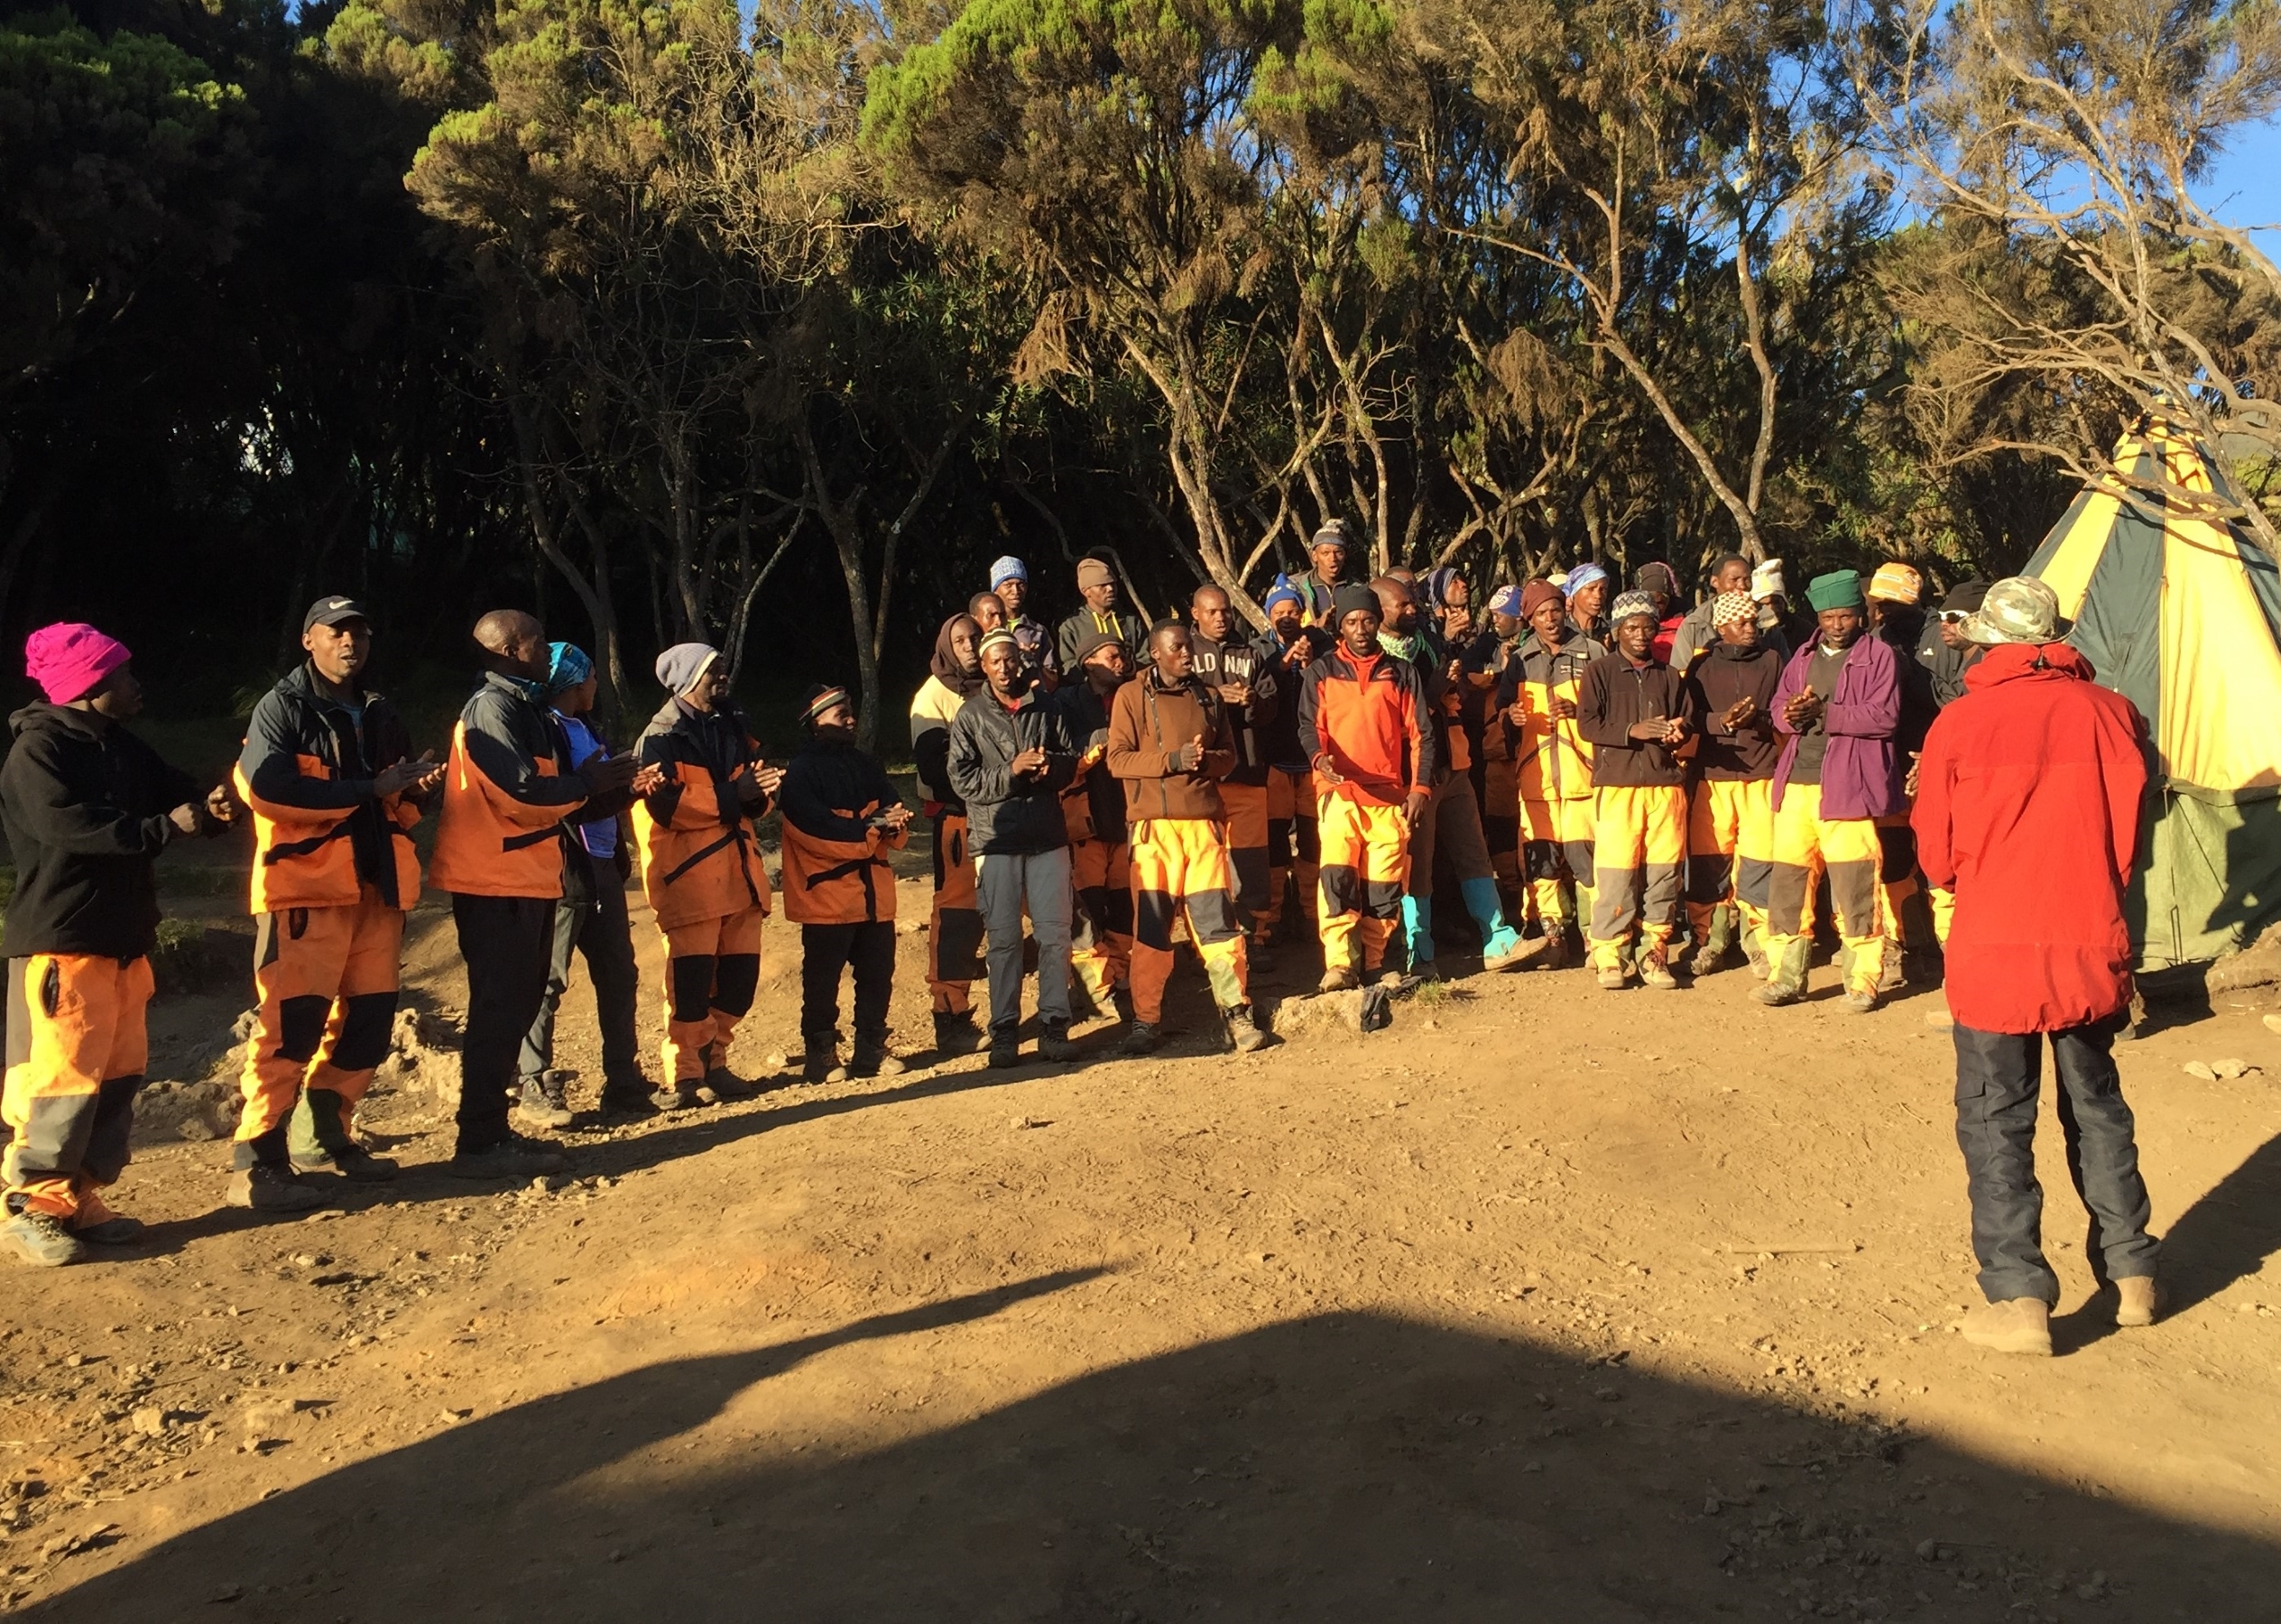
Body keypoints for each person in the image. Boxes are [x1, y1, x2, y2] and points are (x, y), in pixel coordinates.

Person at [1913, 576, 2159, 1356]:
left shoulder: (1960, 722)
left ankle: (2019, 1298)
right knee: (2098, 1107)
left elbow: (1936, 856)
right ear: (2056, 641)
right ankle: (2132, 1275)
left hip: (1995, 948)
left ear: (1990, 640)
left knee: (1996, 1118)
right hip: (2088, 941)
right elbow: (2133, 840)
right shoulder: (2113, 714)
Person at [0, 626, 237, 1266]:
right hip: (63, 941)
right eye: (123, 675)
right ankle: (31, 1204)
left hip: (125, 939)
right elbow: (68, 826)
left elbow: (176, 790)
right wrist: (164, 828)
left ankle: (77, 1197)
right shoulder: (38, 751)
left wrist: (212, 806)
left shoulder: (120, 746)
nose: (135, 685)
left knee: (115, 1074)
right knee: (60, 1080)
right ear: (88, 685)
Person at [231, 597, 441, 1212]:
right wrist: (368, 788)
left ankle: (324, 1136)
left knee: (368, 1025)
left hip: (377, 891)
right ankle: (257, 1162)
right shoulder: (283, 708)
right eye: (337, 632)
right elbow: (267, 789)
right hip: (306, 897)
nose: (351, 642)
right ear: (309, 640)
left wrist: (415, 791)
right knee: (290, 1029)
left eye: (359, 632)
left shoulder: (379, 711)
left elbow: (396, 805)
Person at [433, 612, 644, 1176]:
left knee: (518, 1002)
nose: (544, 650)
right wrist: (589, 782)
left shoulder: (526, 710)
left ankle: (491, 1133)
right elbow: (522, 793)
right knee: (500, 1005)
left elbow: (565, 801)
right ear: (509, 650)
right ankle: (479, 1141)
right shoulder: (491, 709)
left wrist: (616, 790)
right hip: (490, 881)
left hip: (526, 878)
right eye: (536, 641)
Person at [1106, 622, 1268, 1054]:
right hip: (1154, 831)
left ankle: (1236, 1012)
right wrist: (1173, 760)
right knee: (1152, 930)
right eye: (1176, 648)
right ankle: (1145, 1021)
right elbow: (1118, 760)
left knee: (1219, 927)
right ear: (1155, 653)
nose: (1186, 654)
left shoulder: (1209, 696)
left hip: (1203, 827)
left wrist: (1205, 761)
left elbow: (1229, 757)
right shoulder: (1130, 696)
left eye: (1188, 647)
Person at [631, 642, 778, 1109]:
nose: (723, 677)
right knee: (690, 989)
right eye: (714, 670)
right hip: (688, 882)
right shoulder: (659, 738)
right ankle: (687, 1075)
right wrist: (736, 794)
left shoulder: (732, 726)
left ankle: (716, 1061)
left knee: (739, 985)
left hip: (740, 877)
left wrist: (759, 795)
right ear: (689, 678)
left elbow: (754, 792)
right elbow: (666, 807)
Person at [1759, 570, 1904, 1011]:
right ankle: (1785, 976)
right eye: (1828, 617)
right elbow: (1778, 708)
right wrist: (1790, 713)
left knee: (1855, 884)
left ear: (1861, 615)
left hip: (1848, 787)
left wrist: (1825, 713)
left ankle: (1862, 980)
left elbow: (1884, 716)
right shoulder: (1802, 656)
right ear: (1817, 618)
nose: (1837, 625)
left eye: (1846, 616)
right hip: (1797, 783)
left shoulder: (1879, 656)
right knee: (1788, 884)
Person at [1373, 577, 1532, 976]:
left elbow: (1451, 697)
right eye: (1402, 605)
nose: (1412, 609)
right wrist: (1433, 690)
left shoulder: (1426, 642)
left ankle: (1498, 936)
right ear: (1380, 611)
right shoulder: (1375, 661)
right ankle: (1419, 949)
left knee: (1473, 851)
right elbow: (1391, 721)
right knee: (1419, 864)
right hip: (1413, 776)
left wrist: (1454, 681)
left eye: (1412, 602)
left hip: (1452, 763)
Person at [948, 627, 1081, 1068]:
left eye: (1010, 659)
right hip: (996, 840)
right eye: (995, 662)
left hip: (1046, 837)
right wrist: (1011, 770)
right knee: (1003, 940)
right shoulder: (970, 715)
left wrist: (1049, 769)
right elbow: (963, 780)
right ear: (984, 667)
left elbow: (1070, 762)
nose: (1004, 668)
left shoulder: (1046, 706)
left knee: (1055, 936)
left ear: (1019, 661)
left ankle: (1054, 1027)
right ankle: (1004, 1031)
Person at [1297, 583, 1434, 991]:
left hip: (1390, 797)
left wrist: (1420, 789)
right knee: (1337, 879)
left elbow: (1422, 736)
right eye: (1352, 622)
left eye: (1368, 620)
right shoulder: (1321, 671)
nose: (1360, 629)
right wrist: (1319, 759)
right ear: (1340, 626)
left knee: (1385, 885)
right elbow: (1309, 727)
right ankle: (1340, 965)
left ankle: (1376, 963)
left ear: (1378, 622)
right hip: (1339, 793)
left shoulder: (1402, 672)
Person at [780, 684, 911, 1082]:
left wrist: (893, 824)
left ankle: (871, 1050)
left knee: (877, 976)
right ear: (815, 723)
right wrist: (873, 828)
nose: (851, 719)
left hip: (875, 896)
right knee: (822, 983)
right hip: (826, 899)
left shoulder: (866, 764)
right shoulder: (801, 772)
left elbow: (892, 809)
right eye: (842, 714)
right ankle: (821, 1055)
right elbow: (812, 830)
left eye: (851, 711)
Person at [1575, 590, 1691, 990]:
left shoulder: (1668, 675)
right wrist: (1632, 731)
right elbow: (1587, 724)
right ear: (1616, 631)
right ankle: (1610, 954)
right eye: (1631, 627)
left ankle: (1654, 952)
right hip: (1618, 786)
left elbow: (1686, 720)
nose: (1640, 635)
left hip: (1665, 786)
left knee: (1663, 873)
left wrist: (1677, 733)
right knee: (1616, 873)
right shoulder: (1599, 672)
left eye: (1647, 627)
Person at [1498, 579, 1606, 966]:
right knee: (1541, 863)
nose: (1551, 619)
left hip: (1583, 776)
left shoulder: (1593, 652)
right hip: (1537, 779)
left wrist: (1580, 712)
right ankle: (1552, 937)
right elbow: (1501, 713)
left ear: (1565, 610)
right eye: (1541, 614)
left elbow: (1609, 711)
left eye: (1555, 610)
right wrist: (1511, 716)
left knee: (1587, 860)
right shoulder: (1520, 660)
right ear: (1530, 619)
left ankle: (1597, 940)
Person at [1678, 592, 1782, 976]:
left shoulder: (1773, 661)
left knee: (1759, 861)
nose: (1750, 629)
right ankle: (1709, 940)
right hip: (1713, 777)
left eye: (1754, 622)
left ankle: (1760, 944)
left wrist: (1759, 719)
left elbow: (1784, 711)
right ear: (1722, 627)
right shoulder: (1702, 665)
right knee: (1710, 863)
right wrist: (1721, 721)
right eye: (1742, 623)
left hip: (1761, 774)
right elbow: (1688, 717)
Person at [1187, 584, 1280, 959]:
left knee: (1250, 862)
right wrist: (1215, 698)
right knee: (1206, 865)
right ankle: (1210, 945)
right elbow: (1173, 707)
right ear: (1195, 614)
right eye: (1211, 612)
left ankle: (1254, 939)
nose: (1221, 618)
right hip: (1202, 778)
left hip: (1248, 771)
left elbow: (1272, 708)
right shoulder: (1184, 654)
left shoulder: (1250, 654)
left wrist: (1253, 701)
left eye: (1225, 611)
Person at [910, 614, 988, 1054]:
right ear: (946, 647)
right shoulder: (933, 696)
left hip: (1011, 820)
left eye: (975, 637)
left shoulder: (999, 685)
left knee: (1051, 907)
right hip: (959, 823)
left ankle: (1081, 995)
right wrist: (993, 782)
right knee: (958, 919)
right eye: (960, 641)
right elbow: (935, 772)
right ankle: (950, 1016)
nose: (970, 646)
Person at [1867, 562, 1941, 988]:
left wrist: (1907, 673)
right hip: (1889, 769)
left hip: (1935, 764)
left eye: (1890, 604)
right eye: (1878, 605)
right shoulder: (1879, 638)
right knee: (1893, 859)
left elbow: (1955, 700)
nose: (1882, 612)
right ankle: (1903, 944)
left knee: (1937, 859)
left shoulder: (1943, 638)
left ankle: (1943, 948)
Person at [1054, 631, 1136, 1019]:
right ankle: (1092, 989)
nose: (1120, 662)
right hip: (1086, 826)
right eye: (1110, 656)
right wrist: (1101, 739)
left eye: (1122, 656)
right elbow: (1060, 755)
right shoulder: (1065, 702)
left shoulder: (1133, 696)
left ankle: (1120, 979)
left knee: (1124, 909)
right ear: (1088, 662)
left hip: (1127, 820)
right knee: (1088, 913)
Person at [1258, 582, 1330, 946]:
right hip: (1274, 761)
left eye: (1292, 611)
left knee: (1313, 840)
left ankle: (1310, 913)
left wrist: (1311, 664)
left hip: (1312, 761)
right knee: (1274, 844)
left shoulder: (1322, 645)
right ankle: (1272, 918)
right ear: (1268, 615)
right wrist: (1284, 664)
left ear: (1302, 613)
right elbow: (1258, 693)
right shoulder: (1257, 649)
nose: (1286, 618)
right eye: (1279, 612)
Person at [1469, 584, 1528, 903]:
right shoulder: (1484, 645)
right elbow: (1467, 671)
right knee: (1502, 822)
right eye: (1492, 614)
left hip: (1532, 748)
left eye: (1501, 614)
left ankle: (1537, 887)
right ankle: (1512, 889)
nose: (1495, 620)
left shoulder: (1535, 646)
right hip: (1497, 750)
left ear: (1519, 615)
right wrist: (1496, 671)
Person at [1055, 555, 1147, 671]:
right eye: (1102, 585)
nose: (1110, 589)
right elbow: (1068, 666)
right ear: (1086, 591)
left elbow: (1146, 658)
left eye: (1113, 584)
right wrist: (1096, 674)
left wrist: (1129, 669)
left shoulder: (1131, 621)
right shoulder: (1071, 627)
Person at [1671, 555, 1752, 677]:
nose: (1742, 586)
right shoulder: (1694, 625)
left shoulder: (1766, 621)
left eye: (1747, 579)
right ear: (1715, 582)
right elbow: (1681, 675)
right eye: (1734, 579)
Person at [990, 556, 1060, 686]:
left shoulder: (1038, 631)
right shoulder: (986, 628)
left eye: (1020, 584)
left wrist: (1033, 661)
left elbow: (1052, 681)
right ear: (995, 590)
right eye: (1008, 585)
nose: (1015, 591)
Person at [1290, 520, 1353, 628]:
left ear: (1345, 555)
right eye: (1325, 553)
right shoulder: (1295, 587)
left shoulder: (1356, 589)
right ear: (1315, 556)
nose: (1333, 558)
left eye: (1338, 552)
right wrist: (1317, 625)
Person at [1632, 561, 1686, 666]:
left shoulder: (1686, 616)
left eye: (1661, 602)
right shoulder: (1627, 620)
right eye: (1650, 602)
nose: (1656, 608)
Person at [1563, 561, 1611, 643]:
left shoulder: (1609, 633)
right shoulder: (1561, 631)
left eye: (1603, 589)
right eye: (1591, 589)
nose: (1598, 596)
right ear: (1574, 593)